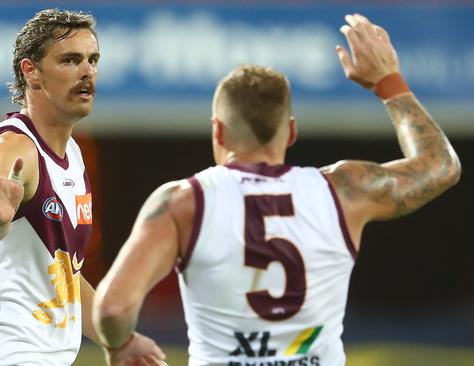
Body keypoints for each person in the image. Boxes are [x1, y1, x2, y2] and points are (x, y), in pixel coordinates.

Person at [93, 13, 461, 366]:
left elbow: (113, 308)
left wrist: (121, 347)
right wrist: (389, 81)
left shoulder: (183, 201)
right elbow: (440, 166)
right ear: (292, 131)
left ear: (218, 130)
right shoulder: (345, 190)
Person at [0, 9, 165, 366]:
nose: (87, 72)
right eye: (70, 60)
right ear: (30, 72)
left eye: (92, 60)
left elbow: (67, 278)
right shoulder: (12, 147)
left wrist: (118, 340)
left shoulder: (74, 155)